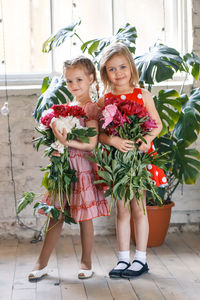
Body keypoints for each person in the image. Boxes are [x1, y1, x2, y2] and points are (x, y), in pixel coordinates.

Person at [28, 56, 110, 281]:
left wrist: (66, 143)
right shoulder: (69, 108)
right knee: (56, 214)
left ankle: (86, 262)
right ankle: (41, 262)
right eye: (69, 81)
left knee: (84, 217)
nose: (74, 85)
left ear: (91, 78)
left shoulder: (90, 108)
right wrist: (58, 148)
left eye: (79, 80)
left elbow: (92, 143)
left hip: (82, 167)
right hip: (65, 167)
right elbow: (63, 138)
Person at [98, 42, 167, 279]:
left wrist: (147, 139)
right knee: (121, 210)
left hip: (138, 161)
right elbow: (99, 133)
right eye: (111, 69)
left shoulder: (142, 94)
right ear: (104, 73)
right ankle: (123, 258)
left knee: (139, 209)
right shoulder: (104, 99)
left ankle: (141, 259)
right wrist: (113, 141)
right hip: (118, 163)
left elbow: (157, 124)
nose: (118, 73)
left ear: (131, 67)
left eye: (122, 67)